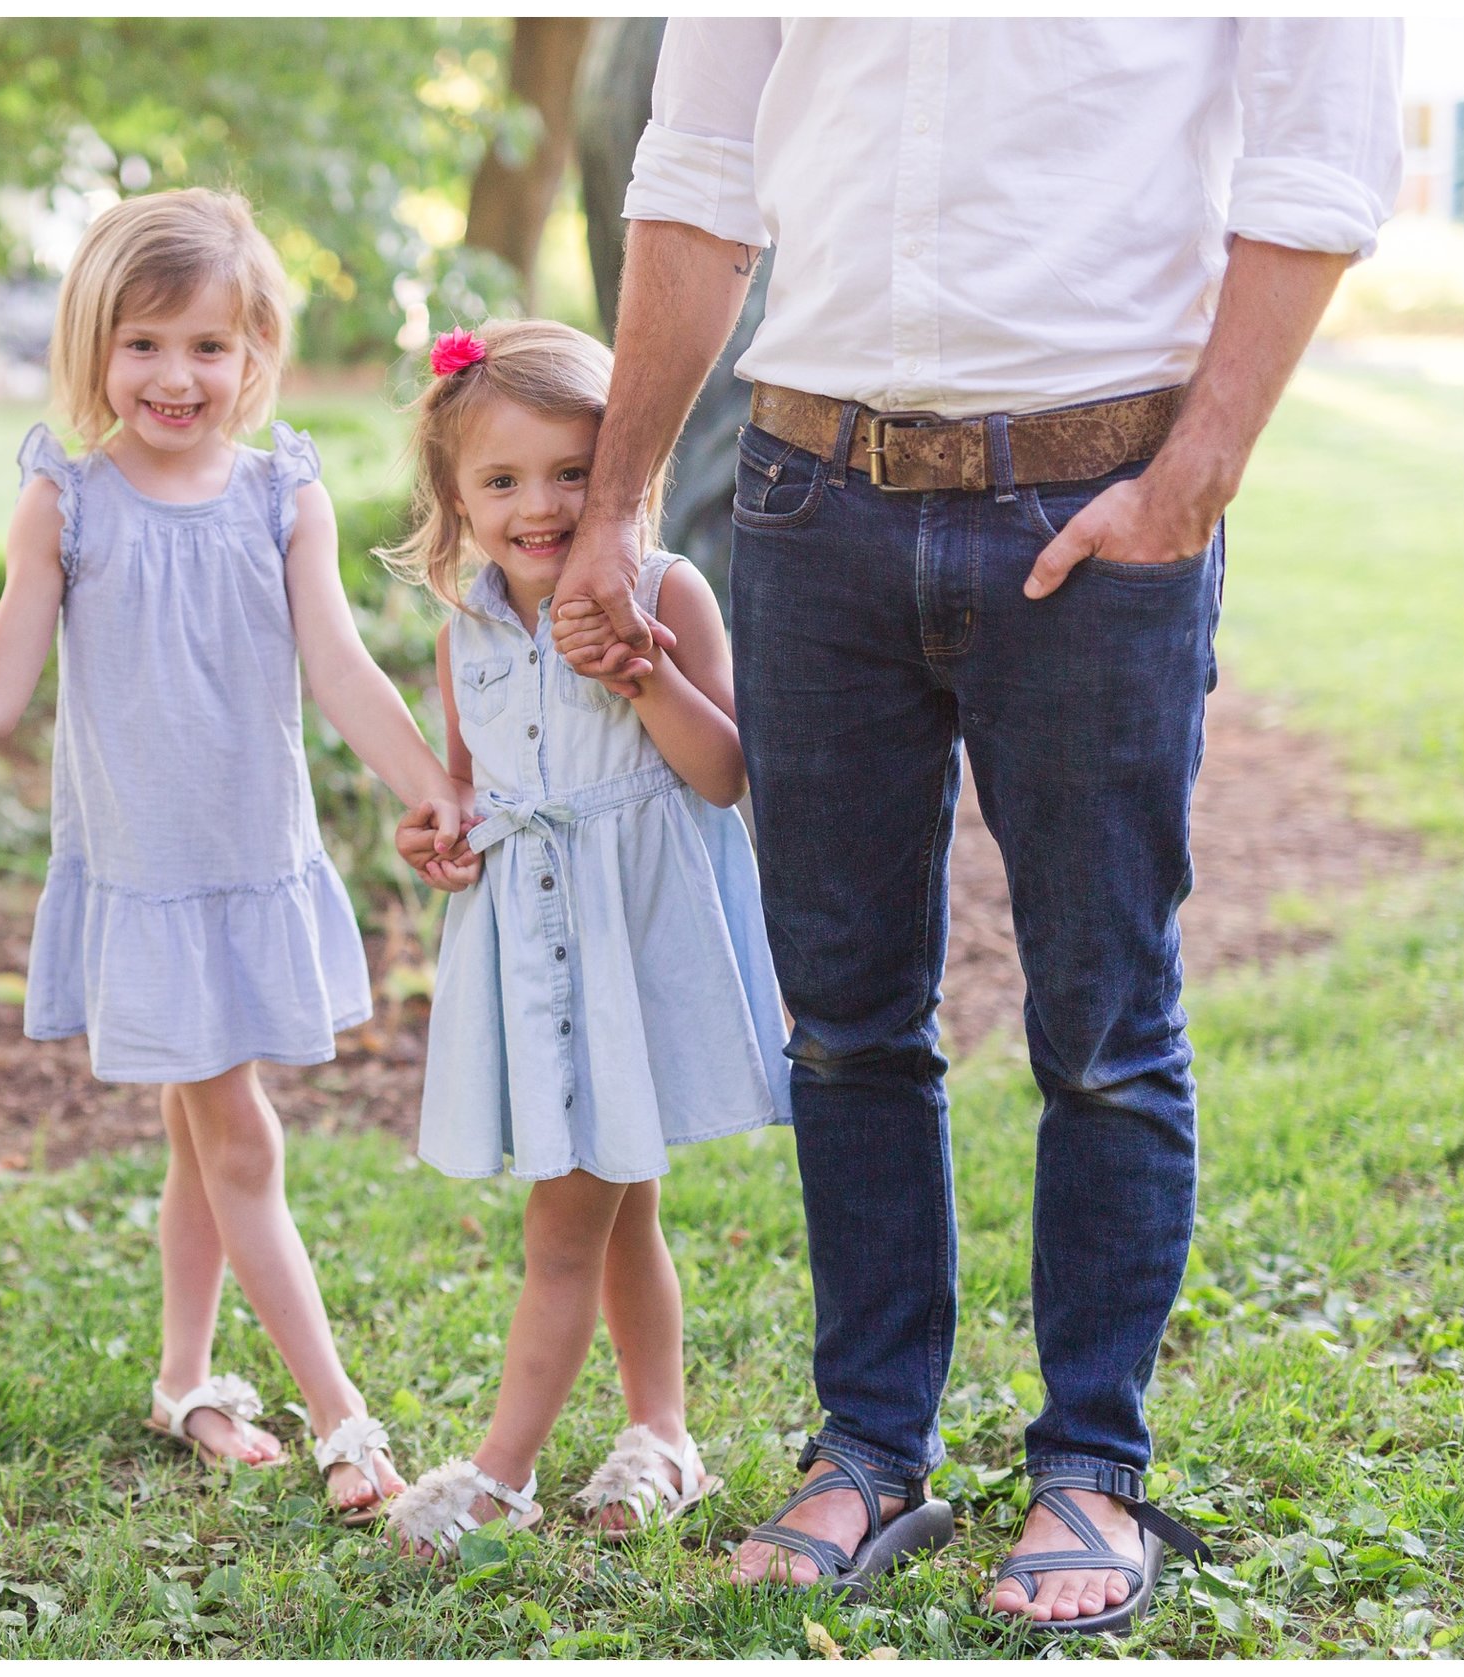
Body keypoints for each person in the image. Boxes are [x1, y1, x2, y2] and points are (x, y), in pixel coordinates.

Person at [551, 18, 1402, 1633]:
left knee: (1102, 1021)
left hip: (1097, 506)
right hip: (809, 501)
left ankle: (1091, 1463)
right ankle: (870, 1447)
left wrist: (1187, 486)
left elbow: (1315, 163)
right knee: (848, 1019)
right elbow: (700, 173)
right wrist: (620, 502)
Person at [0, 187, 455, 1523]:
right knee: (238, 1136)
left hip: (247, 861)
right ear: (97, 346)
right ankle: (341, 1413)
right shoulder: (69, 501)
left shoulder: (285, 494)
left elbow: (339, 666)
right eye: (144, 343)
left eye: (209, 346)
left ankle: (186, 1380)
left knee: (199, 1132)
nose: (176, 376)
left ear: (256, 348)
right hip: (148, 880)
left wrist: (432, 786)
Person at [376, 321, 789, 1559]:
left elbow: (725, 777)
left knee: (564, 1226)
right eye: (501, 481)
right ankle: (661, 1434)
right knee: (622, 1214)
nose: (539, 506)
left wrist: (644, 679)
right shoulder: (468, 635)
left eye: (571, 471)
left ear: (624, 472)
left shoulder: (666, 592)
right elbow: (465, 791)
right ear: (455, 497)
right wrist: (438, 836)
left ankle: (499, 1476)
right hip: (541, 956)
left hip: (639, 955)